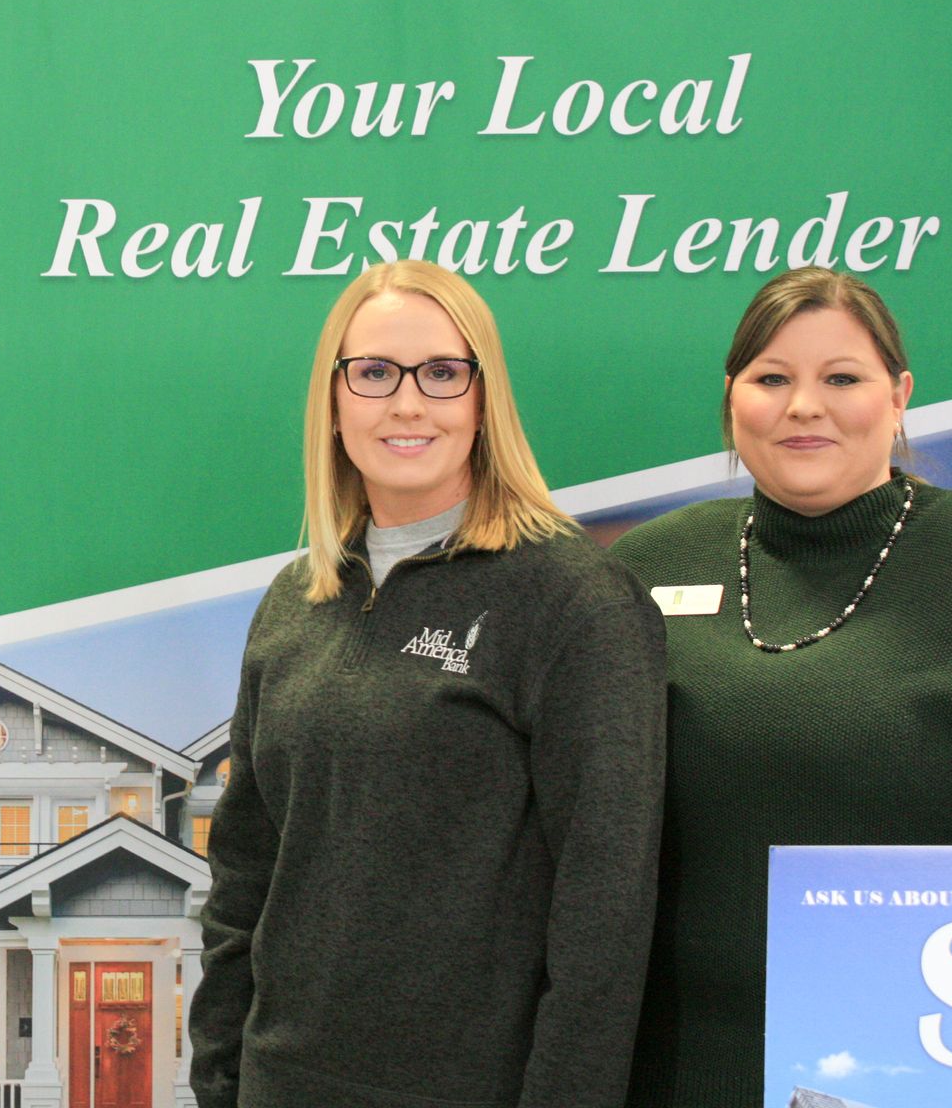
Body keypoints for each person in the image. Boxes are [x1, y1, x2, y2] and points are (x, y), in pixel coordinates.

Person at [189, 260, 666, 1108]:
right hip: (282, 1086)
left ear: (484, 403)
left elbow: (606, 917)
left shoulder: (574, 602)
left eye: (443, 374)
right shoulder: (294, 602)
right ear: (333, 405)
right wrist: (220, 1076)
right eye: (373, 374)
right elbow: (243, 876)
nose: (407, 403)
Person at [613, 267, 952, 1106]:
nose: (804, 405)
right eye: (772, 379)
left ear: (899, 395)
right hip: (672, 1073)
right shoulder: (639, 572)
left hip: (924, 1075)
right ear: (733, 398)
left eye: (842, 378)